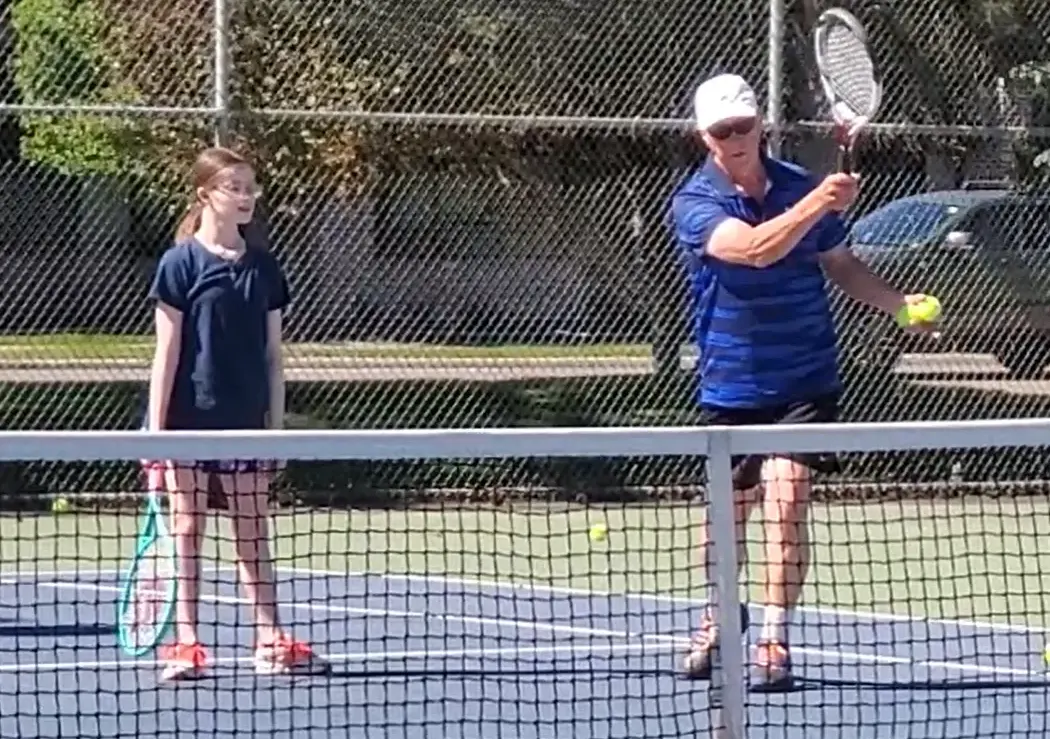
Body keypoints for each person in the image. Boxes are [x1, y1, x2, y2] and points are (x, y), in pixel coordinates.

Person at [669, 74, 936, 690]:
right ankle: (718, 615)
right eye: (721, 131)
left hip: (802, 380)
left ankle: (773, 640)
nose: (734, 139)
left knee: (786, 506)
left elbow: (839, 263)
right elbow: (754, 250)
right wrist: (821, 200)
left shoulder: (796, 184)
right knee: (723, 524)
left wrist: (897, 304)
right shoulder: (695, 202)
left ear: (759, 123)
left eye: (743, 126)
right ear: (702, 136)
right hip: (730, 385)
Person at [145, 146, 328, 681]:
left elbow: (274, 358)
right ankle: (188, 642)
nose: (246, 196)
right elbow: (167, 354)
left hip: (247, 421)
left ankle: (269, 637)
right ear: (207, 194)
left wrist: (275, 429)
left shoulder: (265, 267)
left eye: (251, 187)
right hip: (186, 424)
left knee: (253, 532)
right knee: (187, 529)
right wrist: (155, 438)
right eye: (235, 187)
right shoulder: (178, 264)